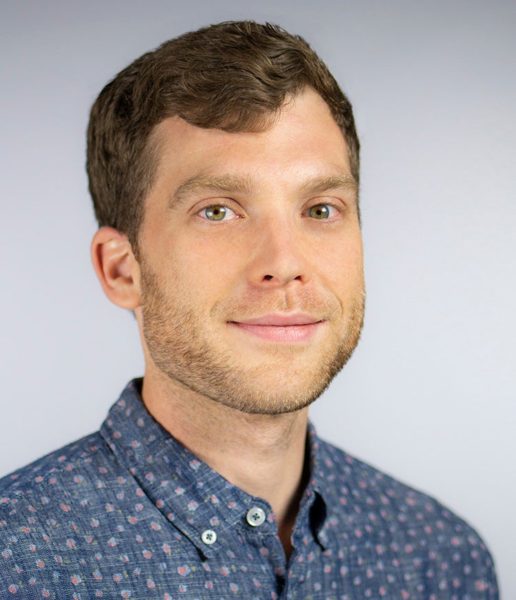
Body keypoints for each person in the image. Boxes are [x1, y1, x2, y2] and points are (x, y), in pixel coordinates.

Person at [0, 20, 498, 599]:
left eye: (319, 209)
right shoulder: (16, 562)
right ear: (122, 269)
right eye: (218, 211)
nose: (284, 263)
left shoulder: (440, 560)